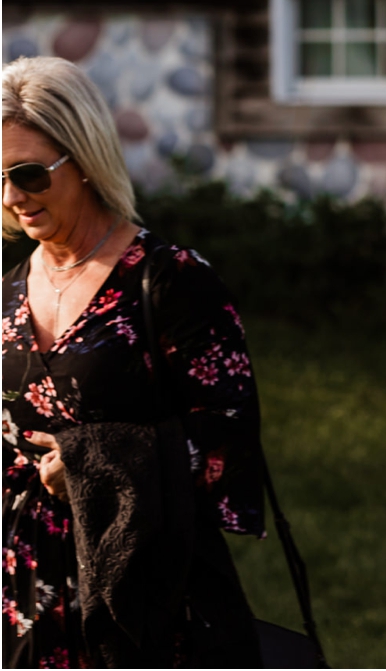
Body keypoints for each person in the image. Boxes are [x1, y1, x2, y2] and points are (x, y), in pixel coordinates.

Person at [2, 56, 264, 667]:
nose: (14, 197)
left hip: (145, 597)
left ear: (85, 160)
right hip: (25, 598)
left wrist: (98, 463)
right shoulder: (10, 291)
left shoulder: (171, 282)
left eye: (31, 173)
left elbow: (229, 441)